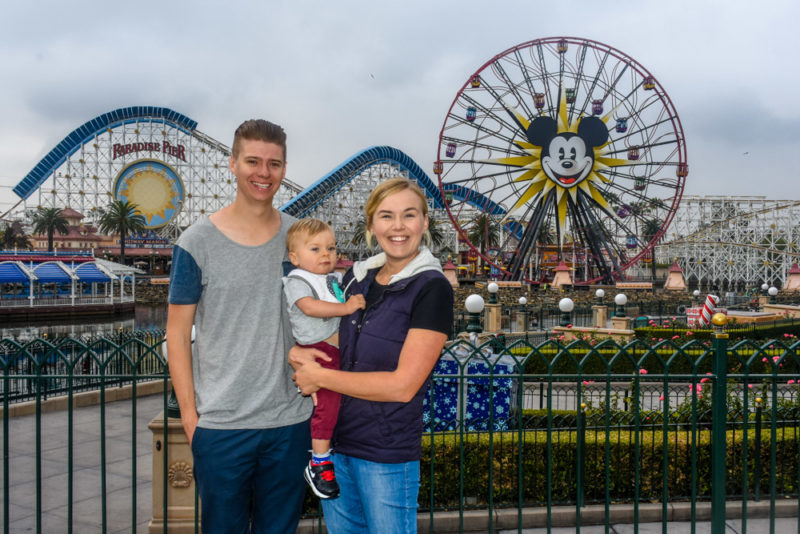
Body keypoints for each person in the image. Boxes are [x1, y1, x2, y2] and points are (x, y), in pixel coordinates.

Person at [166, 119, 312, 533]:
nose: (263, 173)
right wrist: (192, 420)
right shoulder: (196, 242)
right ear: (232, 163)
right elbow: (176, 334)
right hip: (222, 425)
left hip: (289, 421)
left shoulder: (299, 239)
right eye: (253, 161)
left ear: (284, 168)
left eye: (274, 163)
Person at [291, 177, 454, 533]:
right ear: (371, 225)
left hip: (385, 453)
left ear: (424, 222)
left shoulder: (432, 288)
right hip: (335, 447)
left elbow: (403, 386)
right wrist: (298, 354)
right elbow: (331, 340)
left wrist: (320, 377)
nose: (397, 227)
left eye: (409, 215)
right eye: (386, 216)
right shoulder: (356, 278)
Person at [283, 218, 366, 499]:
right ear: (294, 257)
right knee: (328, 404)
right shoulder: (297, 280)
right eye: (316, 249)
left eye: (331, 248)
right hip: (318, 349)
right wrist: (347, 308)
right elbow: (310, 307)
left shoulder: (334, 278)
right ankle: (319, 463)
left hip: (338, 350)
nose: (326, 254)